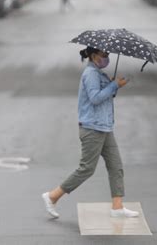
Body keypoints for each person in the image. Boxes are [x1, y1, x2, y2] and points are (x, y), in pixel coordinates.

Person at [42, 46, 139, 219]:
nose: (107, 58)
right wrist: (114, 84)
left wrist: (114, 86)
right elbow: (95, 98)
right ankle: (52, 196)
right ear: (94, 56)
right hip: (92, 128)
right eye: (104, 55)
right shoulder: (91, 74)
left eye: (108, 55)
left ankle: (117, 207)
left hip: (104, 126)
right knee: (86, 169)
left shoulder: (98, 74)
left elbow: (103, 96)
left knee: (115, 166)